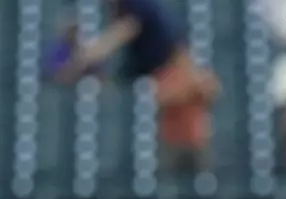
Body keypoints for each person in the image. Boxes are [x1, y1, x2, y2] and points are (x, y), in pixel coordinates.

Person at [59, 0, 220, 175]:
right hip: (172, 141)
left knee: (196, 171)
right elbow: (118, 73)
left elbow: (121, 33)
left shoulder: (139, 7)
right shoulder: (151, 59)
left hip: (191, 143)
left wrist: (84, 58)